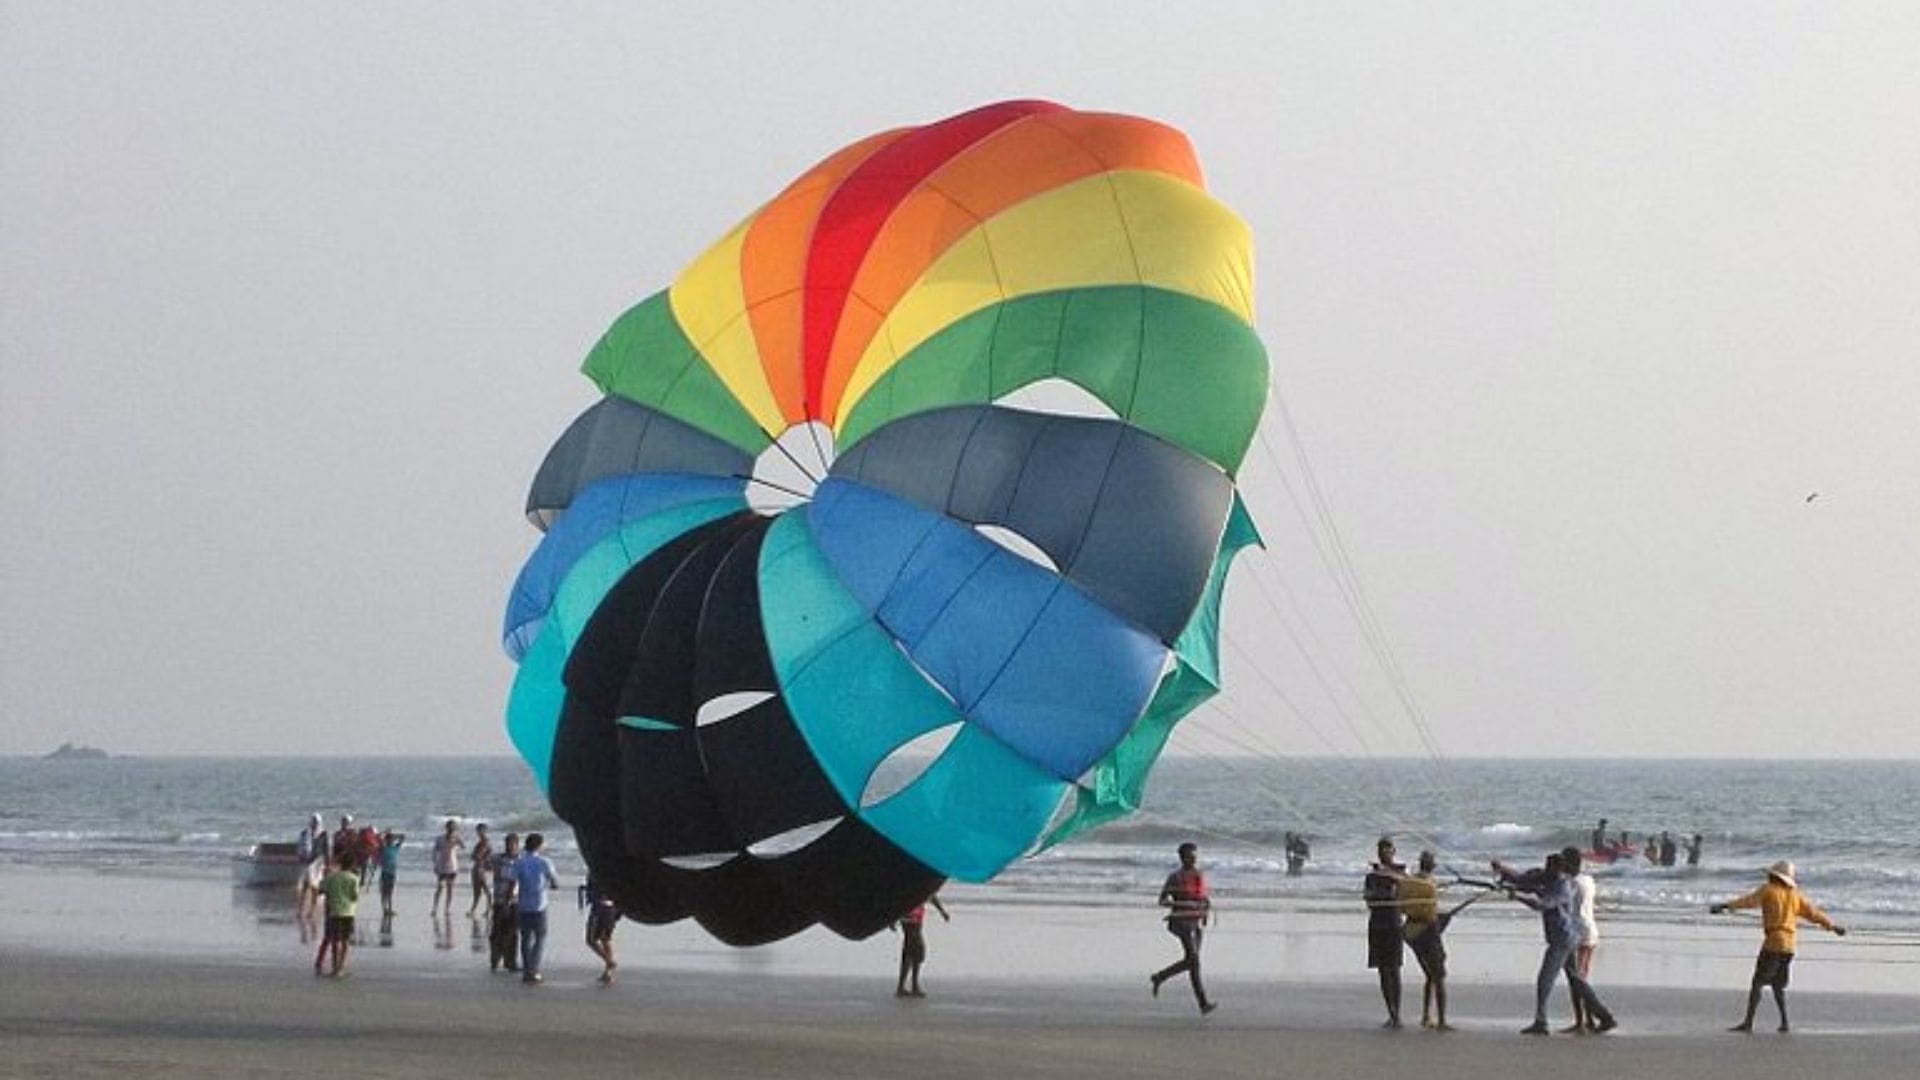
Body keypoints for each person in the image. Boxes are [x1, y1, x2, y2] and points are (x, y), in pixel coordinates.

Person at [1711, 861, 1846, 1033]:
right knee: (1778, 985)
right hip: (1789, 946)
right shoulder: (1795, 895)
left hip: (1773, 942)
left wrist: (1725, 906)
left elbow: (1748, 901)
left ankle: (1748, 1022)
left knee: (1758, 982)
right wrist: (1832, 926)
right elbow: (1813, 914)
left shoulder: (1768, 889)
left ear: (1775, 876)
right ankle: (1784, 1022)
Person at [1495, 851, 1616, 1035]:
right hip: (1566, 937)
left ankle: (1541, 1022)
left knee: (1545, 979)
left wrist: (1518, 896)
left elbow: (1543, 904)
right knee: (1576, 980)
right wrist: (1502, 870)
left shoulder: (1564, 886)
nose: (1547, 871)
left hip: (1563, 939)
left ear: (1560, 869)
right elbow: (1522, 879)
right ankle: (1605, 1017)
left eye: (1551, 868)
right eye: (1547, 867)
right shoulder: (1547, 877)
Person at [1149, 842, 1217, 1014]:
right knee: (1194, 960)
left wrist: (1206, 911)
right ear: (1182, 858)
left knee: (1193, 962)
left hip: (1196, 923)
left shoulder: (1199, 875)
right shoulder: (1175, 877)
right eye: (1190, 856)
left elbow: (1204, 899)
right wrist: (1180, 904)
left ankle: (1160, 977)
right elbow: (1162, 900)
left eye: (1195, 856)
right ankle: (1203, 1003)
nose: (1194, 859)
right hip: (1181, 922)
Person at [1396, 850, 1450, 1030]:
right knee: (1439, 976)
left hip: (1411, 931)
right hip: (1427, 931)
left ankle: (1426, 1016)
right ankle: (1441, 1021)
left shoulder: (1410, 882)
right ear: (1432, 865)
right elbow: (1429, 912)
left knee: (1430, 975)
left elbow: (1402, 907)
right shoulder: (1428, 885)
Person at [1363, 836, 1405, 1028]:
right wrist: (1381, 892)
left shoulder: (1400, 872)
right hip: (1377, 923)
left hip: (1393, 923)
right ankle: (1391, 1012)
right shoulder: (1372, 876)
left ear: (1394, 852)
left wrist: (1390, 880)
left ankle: (1397, 1013)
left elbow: (1404, 893)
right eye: (1381, 850)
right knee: (1383, 970)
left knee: (1394, 969)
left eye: (1388, 849)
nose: (1384, 853)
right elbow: (1369, 900)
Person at [512, 832, 560, 984]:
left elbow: (512, 882)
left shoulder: (519, 862)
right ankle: (534, 970)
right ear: (539, 845)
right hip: (540, 905)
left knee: (526, 939)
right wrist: (551, 885)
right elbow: (555, 883)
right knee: (540, 939)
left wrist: (509, 899)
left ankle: (527, 969)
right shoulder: (544, 862)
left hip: (523, 904)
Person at [1563, 847, 1601, 1033]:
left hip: (1576, 930)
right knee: (1582, 975)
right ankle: (1587, 1019)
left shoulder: (1570, 883)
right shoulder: (1588, 880)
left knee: (1576, 978)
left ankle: (1582, 1020)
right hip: (1590, 927)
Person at [892, 892, 950, 998]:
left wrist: (942, 911)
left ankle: (906, 986)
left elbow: (930, 894)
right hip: (909, 916)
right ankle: (912, 986)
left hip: (914, 915)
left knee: (910, 950)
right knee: (917, 950)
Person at [314, 850, 360, 978]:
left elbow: (321, 890)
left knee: (335, 941)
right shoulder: (354, 878)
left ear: (340, 863)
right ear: (353, 865)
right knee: (345, 941)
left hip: (334, 912)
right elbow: (354, 897)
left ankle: (335, 967)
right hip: (349, 912)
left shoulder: (332, 877)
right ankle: (341, 966)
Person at [488, 833, 521, 973]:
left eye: (513, 844)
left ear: (517, 845)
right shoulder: (498, 859)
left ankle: (510, 961)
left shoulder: (520, 861)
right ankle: (495, 959)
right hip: (499, 900)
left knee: (512, 933)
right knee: (497, 931)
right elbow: (484, 863)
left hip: (515, 901)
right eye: (508, 844)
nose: (510, 847)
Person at [582, 876, 622, 985]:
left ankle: (609, 962)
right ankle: (608, 972)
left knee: (591, 940)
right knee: (605, 940)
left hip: (601, 908)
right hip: (610, 907)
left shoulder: (599, 872)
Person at [430, 818, 465, 917]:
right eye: (449, 828)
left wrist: (458, 840)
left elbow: (463, 847)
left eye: (453, 828)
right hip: (442, 866)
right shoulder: (440, 838)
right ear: (446, 828)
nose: (451, 830)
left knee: (450, 889)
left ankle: (447, 909)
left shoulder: (456, 838)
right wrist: (435, 863)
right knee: (440, 887)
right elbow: (435, 851)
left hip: (453, 866)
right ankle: (435, 908)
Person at [467, 823, 493, 917]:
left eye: (480, 830)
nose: (479, 832)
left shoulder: (484, 842)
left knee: (483, 890)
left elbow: (477, 856)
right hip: (480, 867)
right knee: (480, 890)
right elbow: (476, 856)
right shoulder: (482, 842)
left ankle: (485, 910)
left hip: (480, 868)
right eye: (478, 830)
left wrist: (477, 856)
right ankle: (480, 909)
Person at [377, 830, 405, 916]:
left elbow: (403, 836)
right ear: (386, 840)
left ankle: (389, 908)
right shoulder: (383, 848)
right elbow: (378, 836)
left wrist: (394, 835)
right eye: (389, 839)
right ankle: (384, 909)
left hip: (392, 873)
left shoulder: (395, 848)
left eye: (392, 840)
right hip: (385, 872)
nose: (391, 841)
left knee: (390, 892)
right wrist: (386, 833)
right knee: (384, 892)